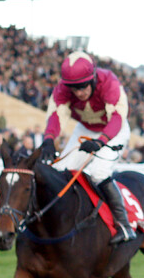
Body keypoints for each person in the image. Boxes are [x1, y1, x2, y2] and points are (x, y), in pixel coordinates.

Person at [38, 51, 136, 244]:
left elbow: (117, 117)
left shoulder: (108, 81)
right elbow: (57, 115)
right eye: (74, 88)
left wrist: (101, 141)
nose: (80, 93)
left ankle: (123, 224)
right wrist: (49, 139)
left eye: (83, 87)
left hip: (113, 129)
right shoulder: (62, 89)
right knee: (59, 169)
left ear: (92, 79)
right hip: (85, 128)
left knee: (98, 173)